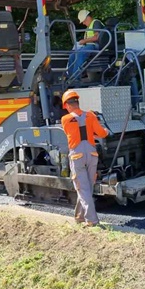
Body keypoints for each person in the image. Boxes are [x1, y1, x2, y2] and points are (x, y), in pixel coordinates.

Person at [60, 89, 109, 226]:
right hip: (92, 155)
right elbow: (100, 133)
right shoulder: (91, 116)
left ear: (67, 105)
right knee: (87, 187)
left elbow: (74, 133)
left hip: (77, 155)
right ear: (77, 102)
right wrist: (104, 131)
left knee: (82, 188)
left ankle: (92, 221)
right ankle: (79, 217)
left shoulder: (65, 119)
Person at [67, 10, 104, 79]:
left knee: (80, 53)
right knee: (72, 55)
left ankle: (75, 78)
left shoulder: (96, 23)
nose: (83, 23)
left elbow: (96, 37)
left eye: (84, 21)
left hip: (96, 46)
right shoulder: (89, 27)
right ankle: (70, 77)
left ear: (88, 18)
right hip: (90, 46)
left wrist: (84, 41)